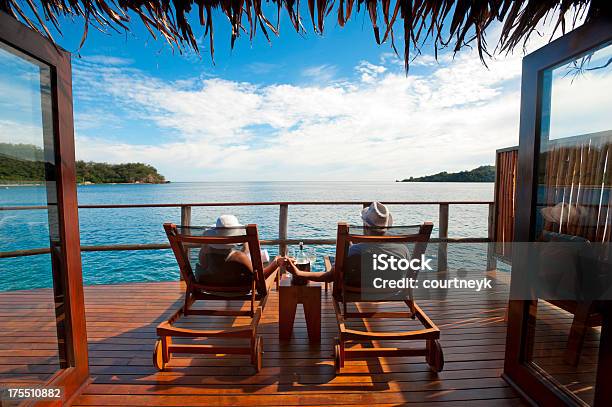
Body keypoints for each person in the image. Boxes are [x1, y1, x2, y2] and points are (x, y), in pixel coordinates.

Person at [281, 201, 410, 284]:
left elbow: (329, 277)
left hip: (355, 291)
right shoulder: (403, 249)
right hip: (390, 291)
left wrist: (298, 273)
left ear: (365, 226)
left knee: (334, 262)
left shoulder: (354, 252)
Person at [195, 215, 280, 287]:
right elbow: (259, 279)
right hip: (237, 290)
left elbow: (204, 264)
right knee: (268, 264)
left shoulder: (206, 254)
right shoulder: (240, 258)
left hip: (210, 287)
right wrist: (276, 262)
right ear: (236, 234)